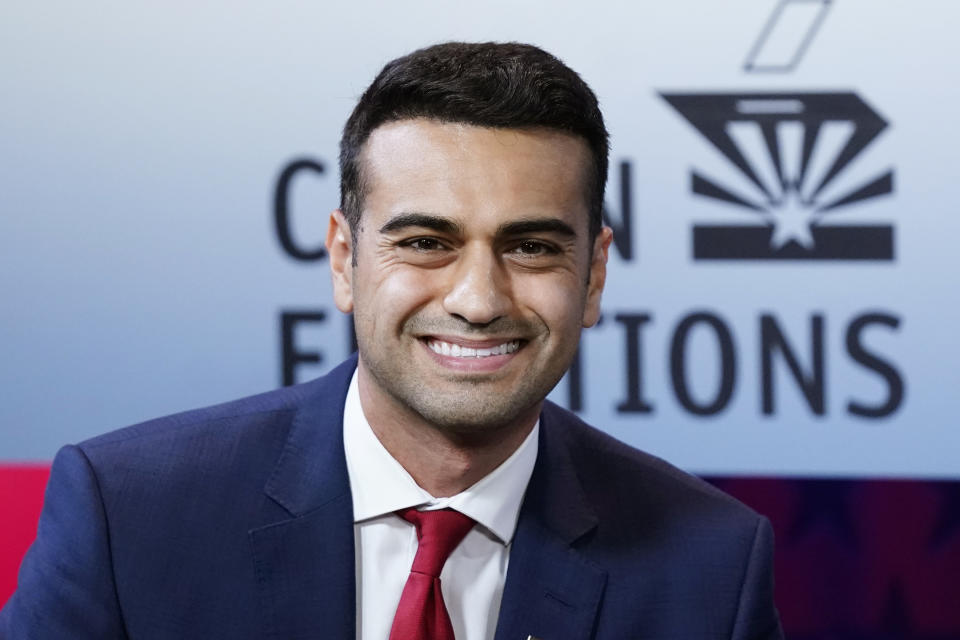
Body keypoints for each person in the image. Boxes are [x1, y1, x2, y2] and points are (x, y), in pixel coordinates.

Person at [0, 42, 783, 639]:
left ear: (595, 274)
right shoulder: (129, 515)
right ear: (345, 259)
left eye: (533, 247)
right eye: (424, 243)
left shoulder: (711, 569)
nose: (478, 300)